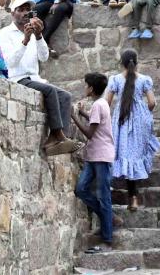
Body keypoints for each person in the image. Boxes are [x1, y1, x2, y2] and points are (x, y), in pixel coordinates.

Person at [0, 0, 80, 156]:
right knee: (50, 91)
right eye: (20, 10)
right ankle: (59, 135)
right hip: (18, 78)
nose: (24, 13)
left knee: (65, 95)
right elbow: (11, 62)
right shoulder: (5, 33)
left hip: (34, 77)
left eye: (27, 10)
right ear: (12, 14)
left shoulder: (34, 30)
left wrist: (38, 36)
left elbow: (44, 57)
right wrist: (25, 40)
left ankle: (56, 138)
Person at [105, 50, 159, 211]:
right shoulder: (144, 80)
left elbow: (106, 102)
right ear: (137, 62)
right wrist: (143, 113)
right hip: (139, 120)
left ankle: (123, 194)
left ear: (121, 62)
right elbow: (152, 102)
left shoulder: (115, 79)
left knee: (123, 154)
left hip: (121, 119)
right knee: (134, 156)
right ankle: (133, 198)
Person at [70, 72, 115, 253]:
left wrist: (73, 117)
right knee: (81, 189)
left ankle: (107, 239)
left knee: (104, 197)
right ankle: (109, 218)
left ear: (91, 88)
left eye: (86, 85)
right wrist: (81, 112)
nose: (84, 87)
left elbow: (90, 133)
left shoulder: (98, 104)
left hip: (101, 156)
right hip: (94, 155)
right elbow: (95, 122)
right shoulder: (100, 104)